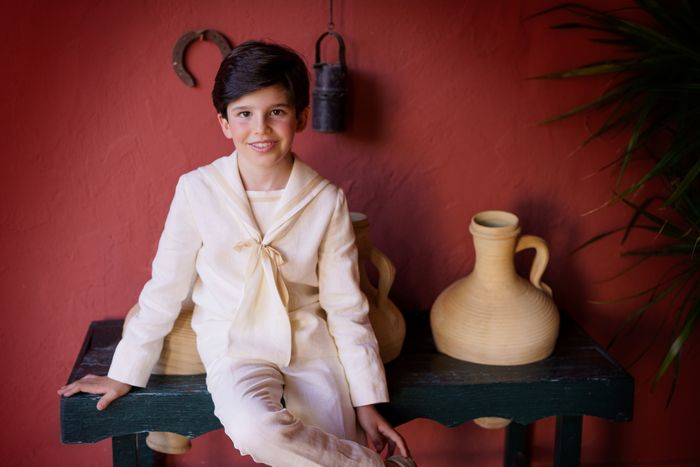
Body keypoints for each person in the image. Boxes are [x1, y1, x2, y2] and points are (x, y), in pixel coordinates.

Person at [58, 40, 416, 467]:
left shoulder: (325, 200)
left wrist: (367, 400)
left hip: (309, 345)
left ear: (301, 117)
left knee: (327, 436)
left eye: (276, 113)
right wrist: (124, 372)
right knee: (253, 428)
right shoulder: (198, 190)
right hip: (235, 345)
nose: (260, 128)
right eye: (244, 114)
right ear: (225, 123)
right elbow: (165, 288)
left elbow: (345, 307)